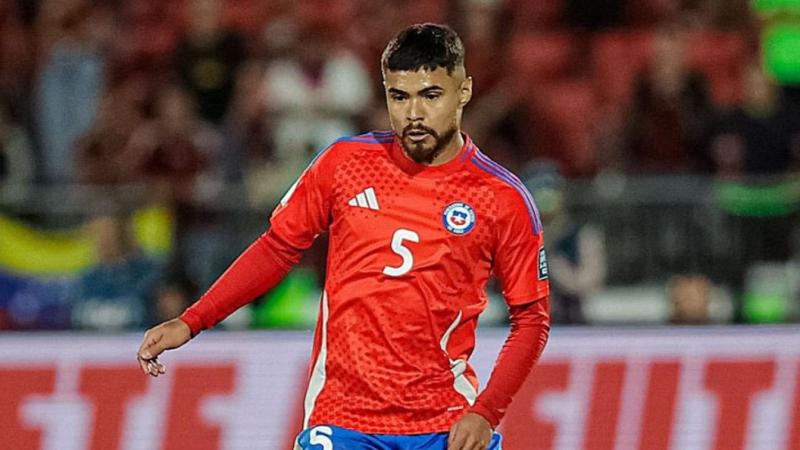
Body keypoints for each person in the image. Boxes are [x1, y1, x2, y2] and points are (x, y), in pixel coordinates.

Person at [137, 24, 550, 450]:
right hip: (342, 419)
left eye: (430, 95)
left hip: (444, 423)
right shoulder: (345, 164)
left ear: (463, 91)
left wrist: (486, 412)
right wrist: (193, 320)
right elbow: (278, 248)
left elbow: (532, 319)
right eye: (399, 96)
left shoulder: (502, 198)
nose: (413, 114)